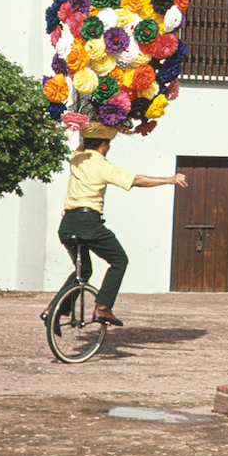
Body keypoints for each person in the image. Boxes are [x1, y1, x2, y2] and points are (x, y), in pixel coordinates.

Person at [46, 124, 186, 327]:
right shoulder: (103, 166)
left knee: (83, 271)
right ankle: (103, 307)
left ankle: (55, 309)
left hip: (67, 223)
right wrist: (169, 179)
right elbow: (135, 180)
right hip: (88, 223)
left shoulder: (77, 158)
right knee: (119, 261)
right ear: (104, 145)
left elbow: (83, 141)